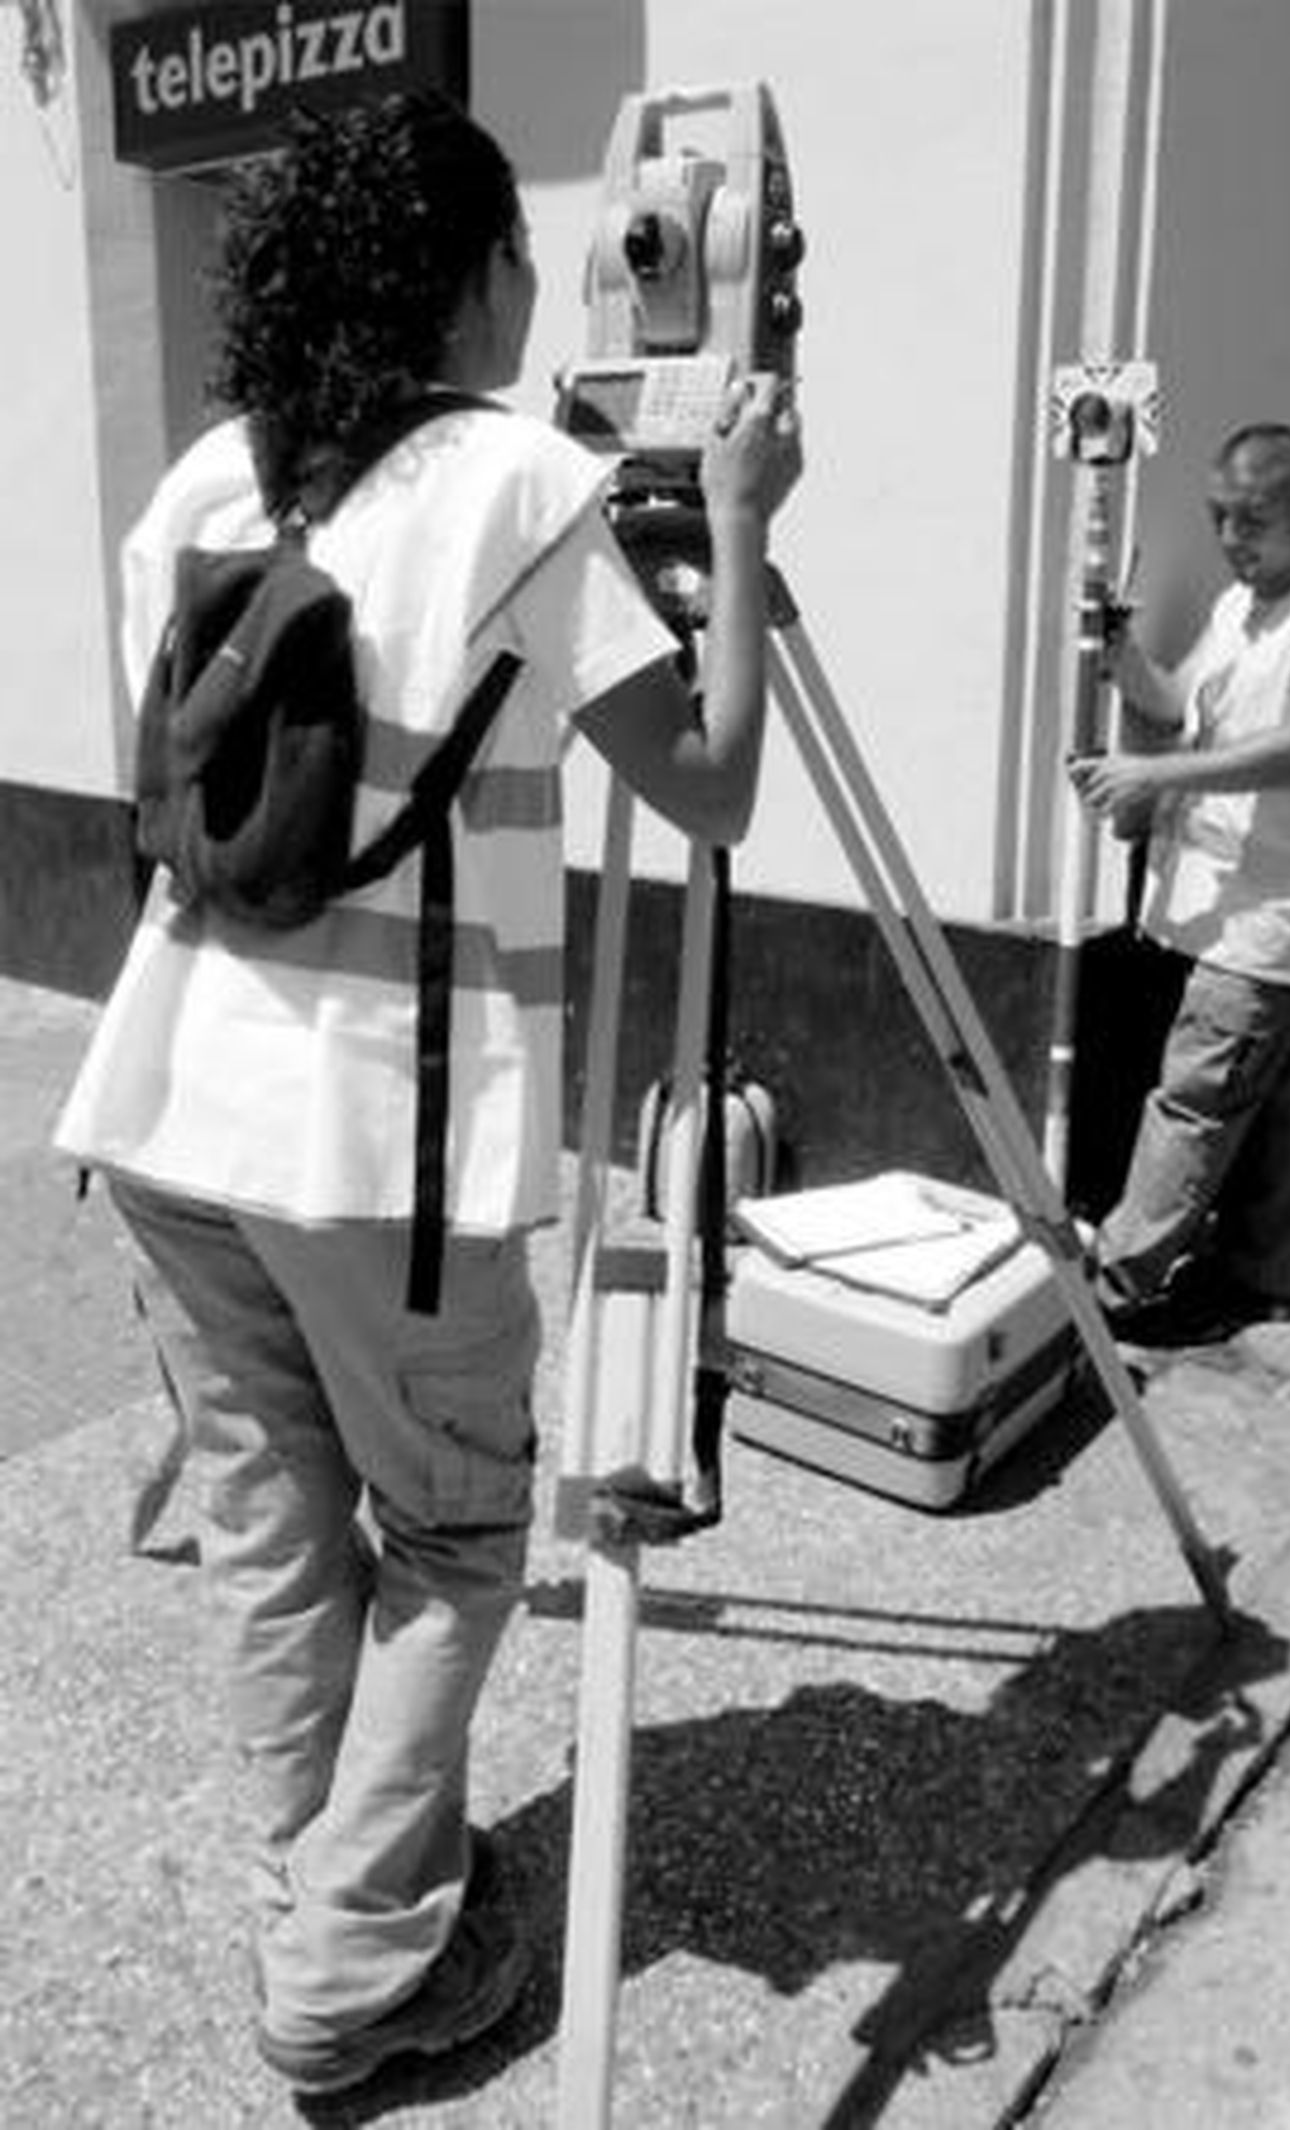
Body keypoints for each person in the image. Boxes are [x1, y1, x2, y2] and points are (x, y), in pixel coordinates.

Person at [54, 93, 799, 2095]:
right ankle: (344, 1975)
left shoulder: (204, 481)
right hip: (382, 1150)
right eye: (525, 255)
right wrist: (737, 518)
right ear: (472, 277)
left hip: (167, 1108)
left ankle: (322, 1895)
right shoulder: (523, 489)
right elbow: (717, 786)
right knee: (455, 1538)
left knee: (274, 1540)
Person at [1068, 422, 1290, 1342]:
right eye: (1218, 517)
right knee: (1263, 1100)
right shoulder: (1240, 604)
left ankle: (1116, 1291)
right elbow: (1180, 702)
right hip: (1223, 912)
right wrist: (1120, 650)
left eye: (1250, 518)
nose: (1229, 538)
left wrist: (1148, 777)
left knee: (1195, 1105)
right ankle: (1262, 1276)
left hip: (1274, 922)